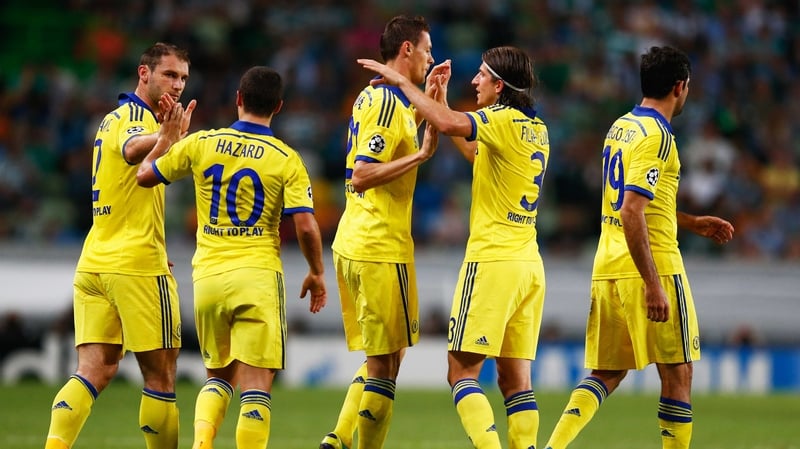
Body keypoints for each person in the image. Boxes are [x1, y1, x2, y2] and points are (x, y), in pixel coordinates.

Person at [542, 46, 735, 449]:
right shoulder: (659, 137)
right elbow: (632, 211)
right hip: (653, 265)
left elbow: (636, 200)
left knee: (606, 373)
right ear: (680, 87)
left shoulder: (621, 126)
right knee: (678, 374)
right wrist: (652, 283)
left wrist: (691, 221)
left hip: (608, 265)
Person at [359, 44, 549, 449]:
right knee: (516, 381)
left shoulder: (499, 119)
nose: (475, 81)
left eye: (482, 75)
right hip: (528, 265)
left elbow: (446, 125)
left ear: (499, 86)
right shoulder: (536, 128)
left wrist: (402, 83)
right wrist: (439, 98)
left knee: (461, 372)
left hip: (493, 261)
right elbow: (477, 153)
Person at [136, 66, 328, 449]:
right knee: (256, 386)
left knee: (218, 377)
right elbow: (306, 227)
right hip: (257, 277)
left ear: (238, 98)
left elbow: (144, 176)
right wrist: (316, 271)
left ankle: (202, 442)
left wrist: (165, 137)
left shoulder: (202, 143)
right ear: (279, 107)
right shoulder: (287, 158)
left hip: (207, 278)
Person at [44, 42, 195, 449]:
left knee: (94, 370)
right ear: (143, 74)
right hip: (135, 265)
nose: (178, 84)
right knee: (160, 377)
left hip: (96, 261)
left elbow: (133, 181)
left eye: (183, 76)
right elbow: (132, 151)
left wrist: (165, 137)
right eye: (169, 74)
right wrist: (166, 135)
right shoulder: (133, 117)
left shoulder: (117, 119)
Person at [320, 14, 446, 449]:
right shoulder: (388, 103)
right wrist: (421, 156)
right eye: (427, 50)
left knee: (389, 354)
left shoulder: (380, 98)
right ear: (406, 50)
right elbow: (361, 174)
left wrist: (429, 101)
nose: (431, 58)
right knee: (383, 364)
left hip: (364, 239)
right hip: (377, 244)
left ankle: (338, 437)